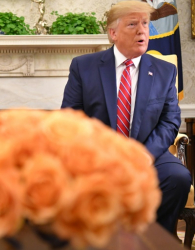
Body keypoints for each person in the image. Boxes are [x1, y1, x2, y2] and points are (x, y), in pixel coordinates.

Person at [61, 0, 191, 234]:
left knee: (178, 177)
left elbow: (170, 120)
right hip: (98, 154)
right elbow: (70, 118)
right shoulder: (83, 67)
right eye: (132, 24)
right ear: (113, 33)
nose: (142, 30)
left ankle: (153, 239)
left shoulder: (164, 70)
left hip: (146, 150)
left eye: (145, 23)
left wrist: (144, 154)